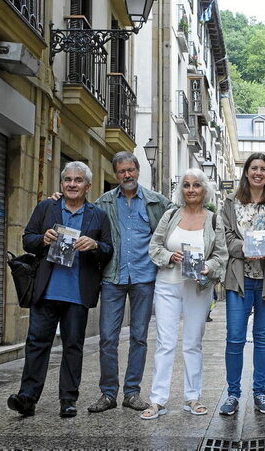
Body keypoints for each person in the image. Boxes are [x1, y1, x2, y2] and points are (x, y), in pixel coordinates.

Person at [7, 162, 113, 418]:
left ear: (88, 186)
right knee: (36, 344)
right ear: (62, 183)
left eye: (78, 180)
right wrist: (42, 239)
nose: (72, 184)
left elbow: (109, 250)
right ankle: (27, 397)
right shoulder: (47, 208)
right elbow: (27, 238)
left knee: (73, 347)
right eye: (68, 180)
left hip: (77, 293)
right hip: (45, 291)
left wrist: (95, 245)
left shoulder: (98, 215)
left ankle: (68, 399)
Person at [87, 152, 173, 414]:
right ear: (116, 174)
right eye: (122, 171)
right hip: (112, 277)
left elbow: (179, 221)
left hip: (144, 278)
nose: (127, 175)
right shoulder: (103, 203)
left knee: (139, 337)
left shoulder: (157, 202)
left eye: (131, 170)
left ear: (138, 170)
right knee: (107, 339)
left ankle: (132, 393)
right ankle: (108, 393)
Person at [141, 168, 228, 419]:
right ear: (182, 190)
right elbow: (154, 246)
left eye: (196, 185)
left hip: (198, 287)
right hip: (167, 285)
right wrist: (169, 256)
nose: (191, 190)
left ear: (204, 190)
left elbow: (221, 255)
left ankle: (193, 397)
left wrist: (207, 266)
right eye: (187, 185)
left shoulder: (213, 220)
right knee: (165, 344)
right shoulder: (170, 216)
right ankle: (157, 400)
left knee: (192, 343)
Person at [219, 153, 265, 415]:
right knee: (235, 338)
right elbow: (226, 239)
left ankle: (260, 393)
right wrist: (247, 248)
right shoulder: (230, 203)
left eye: (263, 168)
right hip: (239, 279)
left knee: (263, 338)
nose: (258, 172)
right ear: (246, 172)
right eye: (254, 168)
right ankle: (232, 394)